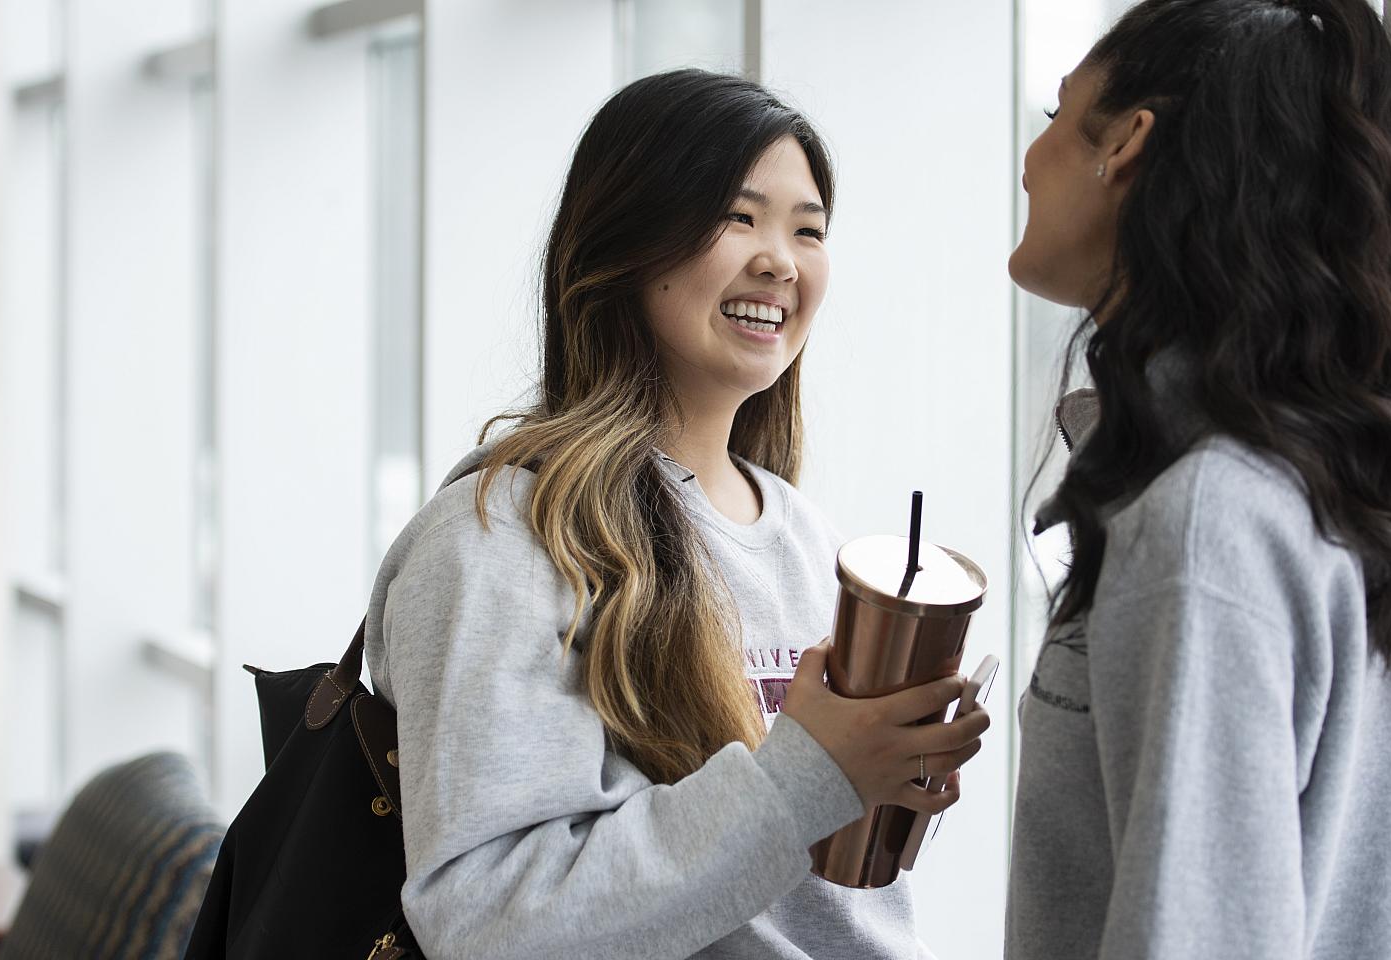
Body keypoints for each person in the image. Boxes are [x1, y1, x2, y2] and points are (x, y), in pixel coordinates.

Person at [364, 68, 989, 960]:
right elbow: (487, 920)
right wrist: (810, 775)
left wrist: (882, 773)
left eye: (808, 229)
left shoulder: (813, 543)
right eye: (739, 217)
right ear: (626, 241)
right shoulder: (506, 536)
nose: (780, 258)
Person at [1004, 1, 1391, 957]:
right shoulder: (1301, 485)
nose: (1031, 155)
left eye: (1057, 114)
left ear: (1126, 142)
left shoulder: (1206, 519)